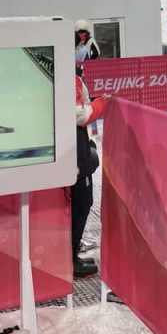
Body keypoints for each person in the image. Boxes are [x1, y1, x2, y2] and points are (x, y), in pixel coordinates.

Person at [73, 74, 109, 278]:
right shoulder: (66, 76)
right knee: (82, 203)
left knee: (80, 203)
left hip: (77, 148)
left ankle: (71, 254)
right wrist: (102, 103)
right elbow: (80, 114)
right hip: (74, 152)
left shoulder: (71, 74)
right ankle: (69, 258)